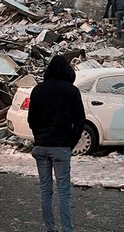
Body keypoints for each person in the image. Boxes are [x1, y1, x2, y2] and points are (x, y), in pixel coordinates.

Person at [27, 56, 85, 232]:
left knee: (46, 192)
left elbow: (32, 120)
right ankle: (67, 229)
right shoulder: (72, 91)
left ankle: (50, 229)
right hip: (61, 147)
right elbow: (80, 120)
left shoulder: (37, 90)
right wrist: (71, 142)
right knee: (64, 192)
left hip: (41, 147)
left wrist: (39, 138)